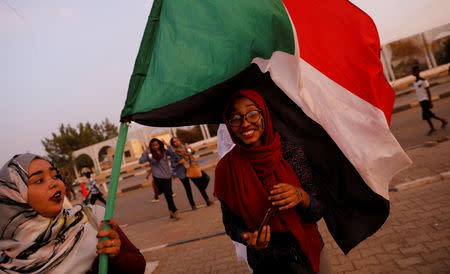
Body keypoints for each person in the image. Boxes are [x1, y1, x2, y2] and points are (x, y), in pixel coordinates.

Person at [215, 89, 332, 273]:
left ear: (264, 115)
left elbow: (318, 210)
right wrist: (247, 237)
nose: (245, 123)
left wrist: (301, 196)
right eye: (236, 118)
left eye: (252, 113)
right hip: (265, 262)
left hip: (307, 252)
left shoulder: (290, 153)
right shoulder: (225, 169)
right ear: (229, 124)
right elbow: (230, 225)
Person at [0, 153, 146, 273]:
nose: (54, 183)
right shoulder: (6, 258)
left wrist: (117, 257)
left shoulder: (93, 218)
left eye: (55, 176)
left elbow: (138, 266)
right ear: (13, 196)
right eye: (39, 180)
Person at [168, 137, 212, 210]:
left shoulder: (185, 147)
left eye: (177, 141)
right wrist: (179, 162)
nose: (176, 143)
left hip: (191, 167)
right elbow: (172, 164)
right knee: (188, 189)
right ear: (172, 144)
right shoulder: (173, 152)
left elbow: (192, 153)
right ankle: (193, 205)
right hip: (182, 172)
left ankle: (207, 200)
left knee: (203, 181)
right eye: (174, 142)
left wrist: (191, 149)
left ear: (179, 140)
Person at [139, 138, 179, 219]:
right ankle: (174, 211)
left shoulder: (164, 151)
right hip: (158, 177)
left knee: (169, 195)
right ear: (151, 146)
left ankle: (171, 212)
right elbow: (141, 161)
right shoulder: (150, 154)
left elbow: (173, 152)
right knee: (168, 194)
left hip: (168, 176)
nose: (155, 147)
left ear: (159, 144)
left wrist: (166, 144)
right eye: (153, 145)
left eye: (156, 145)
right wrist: (146, 152)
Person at [412, 66, 447, 135]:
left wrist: (430, 101)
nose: (414, 72)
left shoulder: (423, 80)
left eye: (415, 71)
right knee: (429, 114)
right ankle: (443, 121)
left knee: (426, 114)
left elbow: (428, 91)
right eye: (413, 71)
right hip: (421, 101)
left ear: (418, 71)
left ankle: (433, 127)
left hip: (425, 100)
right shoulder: (415, 83)